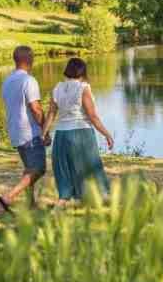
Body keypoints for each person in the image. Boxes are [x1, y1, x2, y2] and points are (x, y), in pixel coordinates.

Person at [42, 57, 113, 206]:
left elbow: (51, 114)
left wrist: (43, 133)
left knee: (65, 168)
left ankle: (63, 200)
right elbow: (92, 116)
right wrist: (107, 134)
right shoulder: (83, 88)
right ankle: (102, 196)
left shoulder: (58, 88)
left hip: (61, 135)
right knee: (91, 165)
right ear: (82, 71)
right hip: (81, 133)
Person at [0, 45, 46, 214]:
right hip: (29, 131)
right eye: (32, 58)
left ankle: (31, 204)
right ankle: (8, 197)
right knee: (38, 169)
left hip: (15, 130)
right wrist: (44, 129)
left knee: (29, 168)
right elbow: (35, 108)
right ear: (29, 60)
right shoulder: (29, 80)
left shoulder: (7, 81)